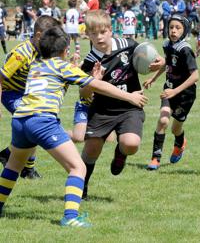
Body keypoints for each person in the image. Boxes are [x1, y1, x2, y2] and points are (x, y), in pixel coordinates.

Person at [0, 26, 148, 226]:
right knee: (77, 167)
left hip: (20, 119)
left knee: (13, 166)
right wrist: (129, 96)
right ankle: (70, 218)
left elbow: (67, 82)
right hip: (42, 121)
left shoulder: (36, 65)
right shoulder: (62, 67)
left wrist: (85, 75)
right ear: (65, 51)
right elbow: (98, 87)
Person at [78, 10, 164, 199]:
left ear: (111, 30)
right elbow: (83, 93)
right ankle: (81, 188)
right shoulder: (90, 62)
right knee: (92, 148)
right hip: (102, 109)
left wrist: (158, 62)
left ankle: (120, 153)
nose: (98, 37)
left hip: (129, 107)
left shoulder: (128, 45)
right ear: (87, 34)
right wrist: (93, 81)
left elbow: (153, 57)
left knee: (131, 144)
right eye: (93, 33)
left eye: (102, 31)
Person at [0, 15, 62, 179]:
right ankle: (25, 167)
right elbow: (0, 79)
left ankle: (12, 157)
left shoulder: (43, 50)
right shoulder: (21, 54)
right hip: (11, 93)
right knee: (33, 121)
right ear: (39, 35)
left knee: (35, 123)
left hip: (29, 93)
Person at [144, 14, 199, 170]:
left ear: (185, 30)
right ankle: (155, 158)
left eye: (178, 28)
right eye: (171, 27)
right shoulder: (168, 44)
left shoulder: (186, 49)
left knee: (176, 129)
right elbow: (168, 64)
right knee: (163, 121)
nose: (173, 31)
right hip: (169, 90)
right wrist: (153, 79)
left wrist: (175, 91)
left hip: (185, 95)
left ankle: (180, 142)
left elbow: (195, 76)